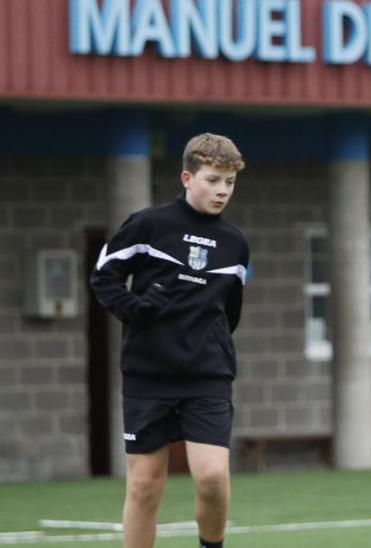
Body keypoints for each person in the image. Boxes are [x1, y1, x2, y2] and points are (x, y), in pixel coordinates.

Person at [91, 133, 250, 548]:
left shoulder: (235, 243)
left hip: (207, 376)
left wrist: (207, 342)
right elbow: (103, 276)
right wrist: (135, 310)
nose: (222, 191)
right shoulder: (148, 225)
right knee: (145, 486)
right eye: (213, 180)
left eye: (229, 183)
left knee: (213, 477)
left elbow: (230, 311)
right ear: (187, 177)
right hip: (149, 374)